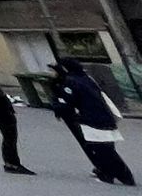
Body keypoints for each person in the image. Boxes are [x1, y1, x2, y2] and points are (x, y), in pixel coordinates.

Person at [51, 57, 133, 186]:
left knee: (102, 150)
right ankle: (108, 173)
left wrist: (57, 106)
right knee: (104, 148)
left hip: (91, 118)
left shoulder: (70, 82)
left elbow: (68, 101)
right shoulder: (86, 79)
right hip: (104, 116)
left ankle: (122, 176)